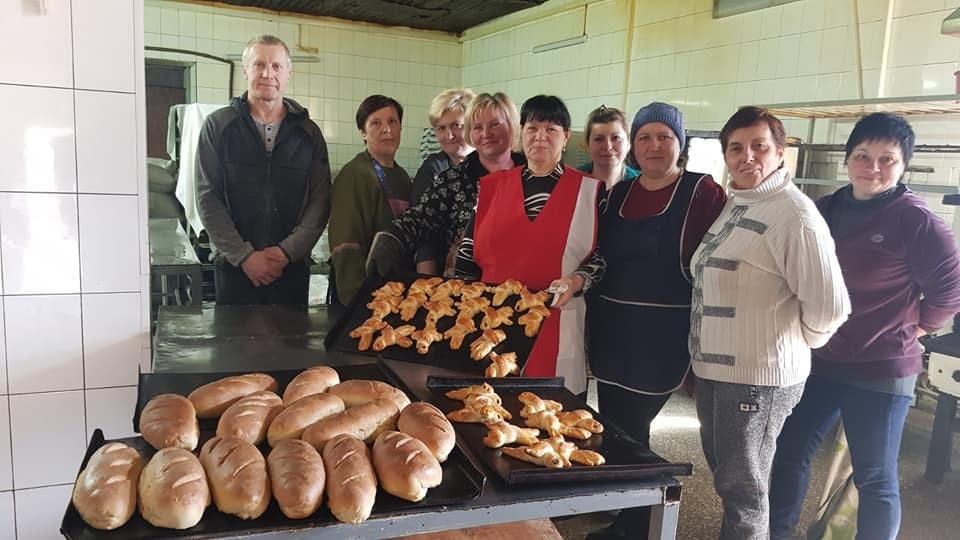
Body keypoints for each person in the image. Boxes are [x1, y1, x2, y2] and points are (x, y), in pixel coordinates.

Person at [769, 113, 960, 540]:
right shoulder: (824, 211)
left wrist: (910, 329)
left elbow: (949, 295)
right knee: (789, 454)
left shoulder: (917, 222)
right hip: (819, 361)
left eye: (887, 159)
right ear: (848, 158)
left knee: (874, 476)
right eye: (863, 155)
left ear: (904, 164)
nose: (872, 167)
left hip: (882, 370)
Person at [689, 106, 850, 540]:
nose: (748, 157)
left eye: (760, 146)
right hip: (719, 371)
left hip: (758, 378)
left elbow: (831, 306)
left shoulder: (795, 216)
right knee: (731, 480)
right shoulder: (740, 201)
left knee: (744, 491)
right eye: (736, 148)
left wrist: (794, 345)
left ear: (780, 153)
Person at [585, 102, 727, 540]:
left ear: (680, 144)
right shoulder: (620, 194)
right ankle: (623, 508)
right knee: (613, 426)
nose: (653, 146)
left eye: (664, 137)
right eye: (645, 137)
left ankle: (636, 524)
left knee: (635, 429)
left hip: (663, 336)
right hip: (613, 331)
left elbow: (720, 267)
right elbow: (600, 256)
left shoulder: (702, 192)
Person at [454, 95, 604, 396]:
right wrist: (461, 310)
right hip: (493, 321)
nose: (540, 136)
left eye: (551, 129)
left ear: (566, 138)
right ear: (521, 134)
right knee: (492, 414)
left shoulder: (589, 192)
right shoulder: (492, 187)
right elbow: (467, 254)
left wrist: (577, 280)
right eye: (533, 127)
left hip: (556, 322)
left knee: (553, 423)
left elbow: (602, 256)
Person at [196, 35, 331, 306]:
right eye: (259, 65)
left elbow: (320, 200)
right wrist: (245, 256)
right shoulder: (218, 126)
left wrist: (286, 252)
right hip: (235, 269)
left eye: (276, 66)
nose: (268, 73)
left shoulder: (309, 133)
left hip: (290, 269)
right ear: (245, 69)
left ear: (289, 73)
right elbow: (207, 197)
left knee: (291, 347)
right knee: (234, 349)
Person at [365, 92, 525, 278]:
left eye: (495, 124)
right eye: (477, 127)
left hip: (522, 286)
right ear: (470, 133)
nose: (486, 133)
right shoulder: (453, 180)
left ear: (512, 126)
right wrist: (391, 237)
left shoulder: (533, 177)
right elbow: (421, 217)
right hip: (466, 292)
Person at [328, 94, 410, 306]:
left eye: (393, 121)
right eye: (376, 123)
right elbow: (346, 245)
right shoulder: (355, 175)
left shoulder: (402, 177)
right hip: (362, 296)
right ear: (363, 133)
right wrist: (360, 304)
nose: (387, 129)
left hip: (394, 291)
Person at [411, 88, 476, 274]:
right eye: (441, 128)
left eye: (457, 125)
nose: (449, 135)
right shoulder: (432, 171)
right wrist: (425, 283)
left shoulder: (493, 166)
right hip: (441, 274)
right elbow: (423, 235)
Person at [577, 105, 639, 190]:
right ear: (588, 145)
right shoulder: (571, 182)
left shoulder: (643, 185)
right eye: (599, 139)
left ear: (629, 143)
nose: (607, 146)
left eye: (616, 138)